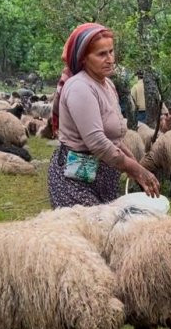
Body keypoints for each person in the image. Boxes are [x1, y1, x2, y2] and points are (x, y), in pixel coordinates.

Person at [47, 22, 160, 208]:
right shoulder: (80, 87)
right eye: (101, 54)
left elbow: (113, 138)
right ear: (83, 58)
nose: (110, 59)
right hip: (76, 180)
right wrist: (137, 170)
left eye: (111, 51)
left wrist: (136, 166)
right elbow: (98, 143)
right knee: (89, 230)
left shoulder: (107, 85)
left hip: (102, 177)